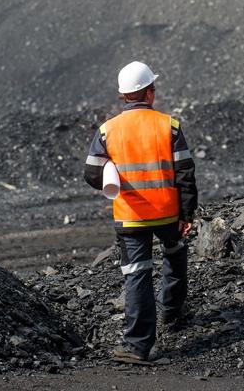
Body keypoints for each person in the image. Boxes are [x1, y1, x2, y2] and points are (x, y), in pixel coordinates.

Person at [83, 61, 198, 364]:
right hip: (167, 213)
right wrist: (187, 213)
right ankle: (172, 313)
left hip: (130, 217)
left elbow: (91, 174)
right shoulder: (168, 126)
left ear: (124, 97)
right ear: (149, 93)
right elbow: (185, 173)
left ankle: (137, 346)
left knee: (137, 275)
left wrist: (111, 170)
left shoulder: (107, 131)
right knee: (175, 255)